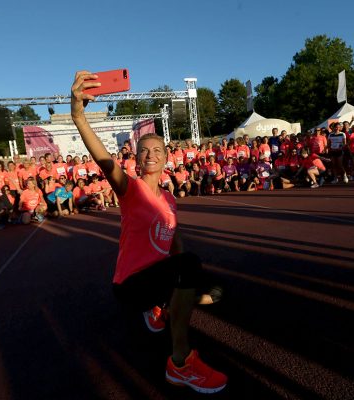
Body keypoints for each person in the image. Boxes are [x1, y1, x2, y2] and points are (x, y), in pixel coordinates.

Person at [70, 70, 227, 394]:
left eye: (157, 150)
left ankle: (162, 307)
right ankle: (180, 364)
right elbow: (103, 159)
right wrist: (78, 115)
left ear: (167, 158)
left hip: (157, 279)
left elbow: (174, 239)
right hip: (129, 286)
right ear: (137, 159)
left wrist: (186, 278)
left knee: (212, 288)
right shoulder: (130, 189)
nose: (151, 154)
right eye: (144, 150)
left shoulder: (169, 199)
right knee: (189, 270)